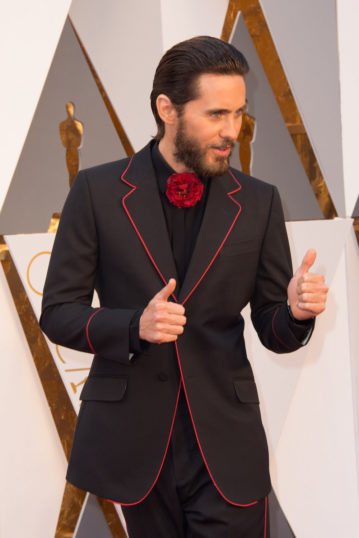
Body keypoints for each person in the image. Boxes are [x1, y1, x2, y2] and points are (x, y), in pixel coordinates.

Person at [40, 36, 328, 537]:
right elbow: (59, 312)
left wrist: (298, 312)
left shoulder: (258, 202)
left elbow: (272, 327)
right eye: (216, 114)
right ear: (167, 109)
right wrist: (135, 325)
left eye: (238, 114)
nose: (231, 131)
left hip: (225, 446)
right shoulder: (97, 191)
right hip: (133, 445)